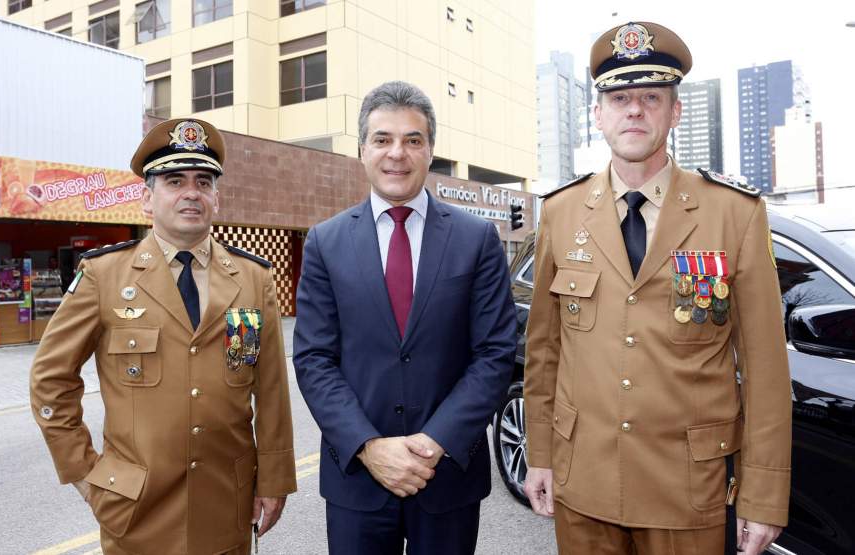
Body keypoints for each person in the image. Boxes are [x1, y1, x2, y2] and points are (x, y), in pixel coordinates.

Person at [522, 21, 791, 555]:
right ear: (597, 115)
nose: (635, 110)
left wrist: (763, 494)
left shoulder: (733, 213)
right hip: (585, 485)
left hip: (686, 492)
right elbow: (545, 352)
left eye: (651, 96)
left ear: (676, 111)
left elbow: (764, 367)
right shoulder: (560, 212)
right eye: (620, 98)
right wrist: (541, 454)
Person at [29, 118, 296, 554]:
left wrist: (274, 479)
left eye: (204, 181)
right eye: (175, 180)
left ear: (216, 196)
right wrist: (82, 472)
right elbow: (50, 378)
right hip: (134, 508)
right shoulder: (104, 275)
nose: (191, 192)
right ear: (147, 199)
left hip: (226, 502)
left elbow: (269, 390)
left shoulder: (252, 279)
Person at [293, 80, 516, 554]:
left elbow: (495, 353)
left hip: (448, 475)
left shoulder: (476, 240)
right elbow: (314, 358)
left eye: (413, 140)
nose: (398, 153)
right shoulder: (325, 243)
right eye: (383, 139)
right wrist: (369, 447)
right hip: (358, 478)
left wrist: (436, 441)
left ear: (430, 150)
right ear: (362, 150)